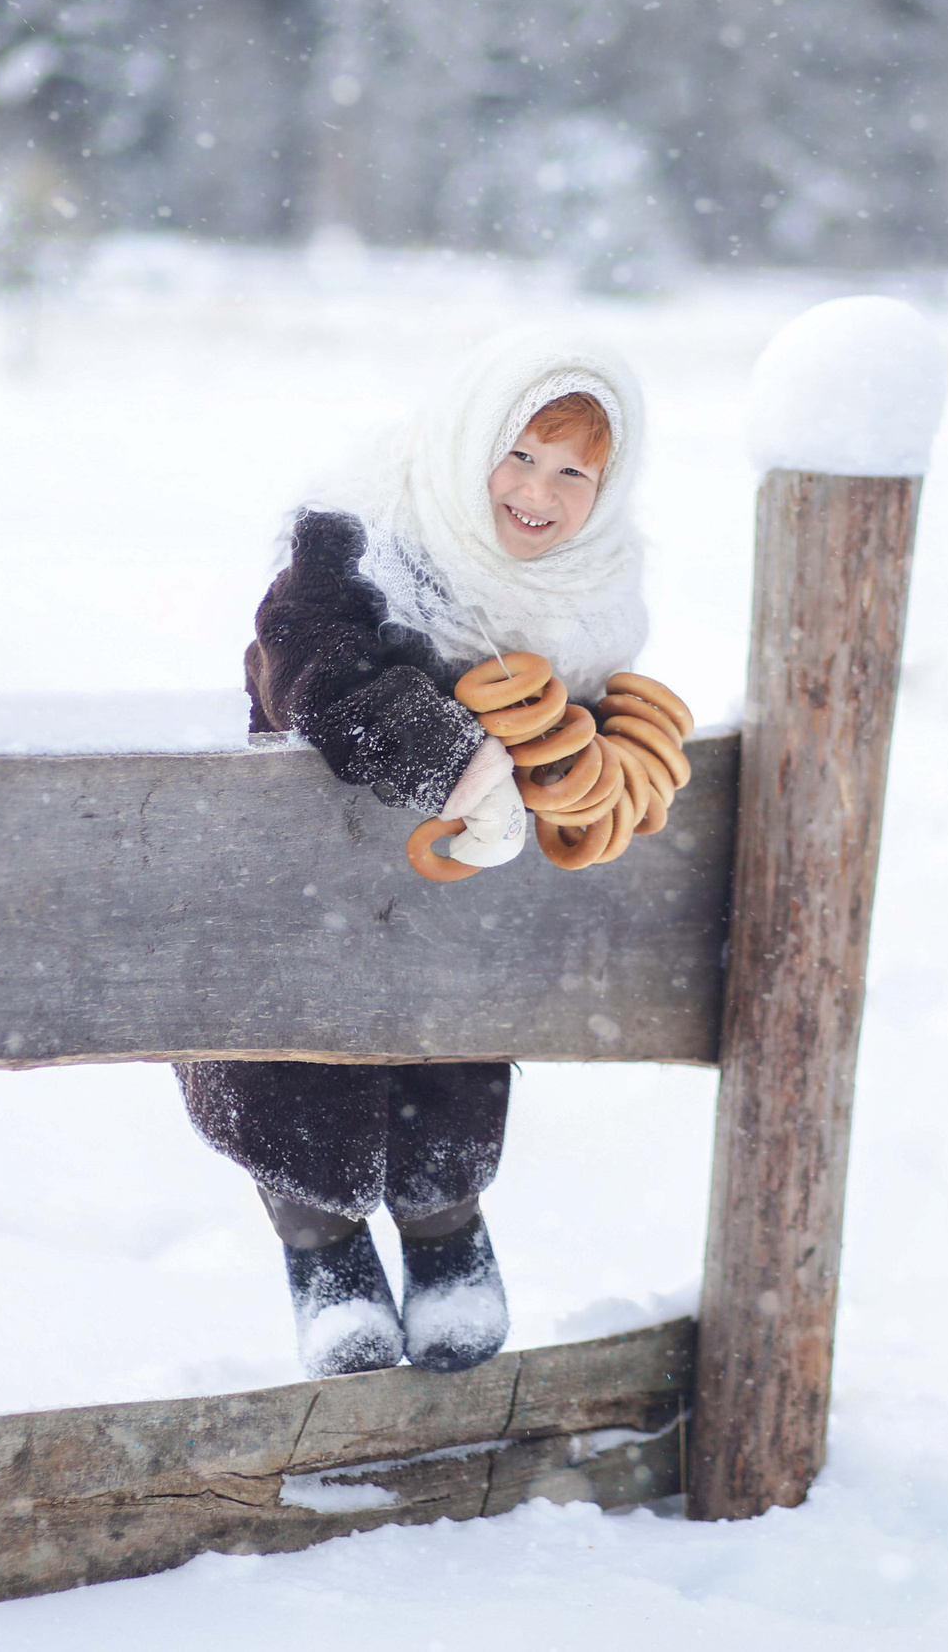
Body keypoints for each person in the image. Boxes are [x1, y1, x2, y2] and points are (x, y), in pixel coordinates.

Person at [174, 326, 650, 1379]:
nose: (538, 492)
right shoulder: (361, 535)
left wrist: (599, 757)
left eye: (574, 473)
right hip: (303, 873)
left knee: (452, 1050)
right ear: (472, 439)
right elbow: (314, 676)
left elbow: (588, 720)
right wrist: (458, 763)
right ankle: (323, 1249)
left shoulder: (591, 590)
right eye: (519, 454)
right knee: (296, 1065)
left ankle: (446, 1229)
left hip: (450, 902)